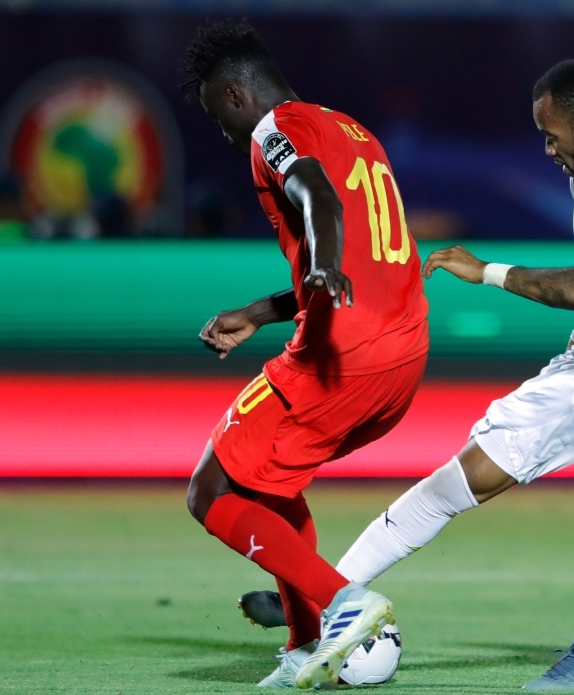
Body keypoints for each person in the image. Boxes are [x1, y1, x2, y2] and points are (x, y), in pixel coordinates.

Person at [245, 57, 574, 690]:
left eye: (550, 135)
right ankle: (327, 590)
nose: (546, 148)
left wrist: (487, 271)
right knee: (459, 478)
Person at [180, 19, 429, 689]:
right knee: (271, 482)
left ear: (235, 94)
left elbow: (314, 194)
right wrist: (258, 313)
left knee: (210, 490)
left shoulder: (274, 131)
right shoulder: (354, 131)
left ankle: (346, 602)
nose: (226, 135)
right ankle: (303, 644)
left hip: (342, 356)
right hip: (402, 357)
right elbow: (362, 260)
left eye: (217, 116)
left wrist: (321, 260)